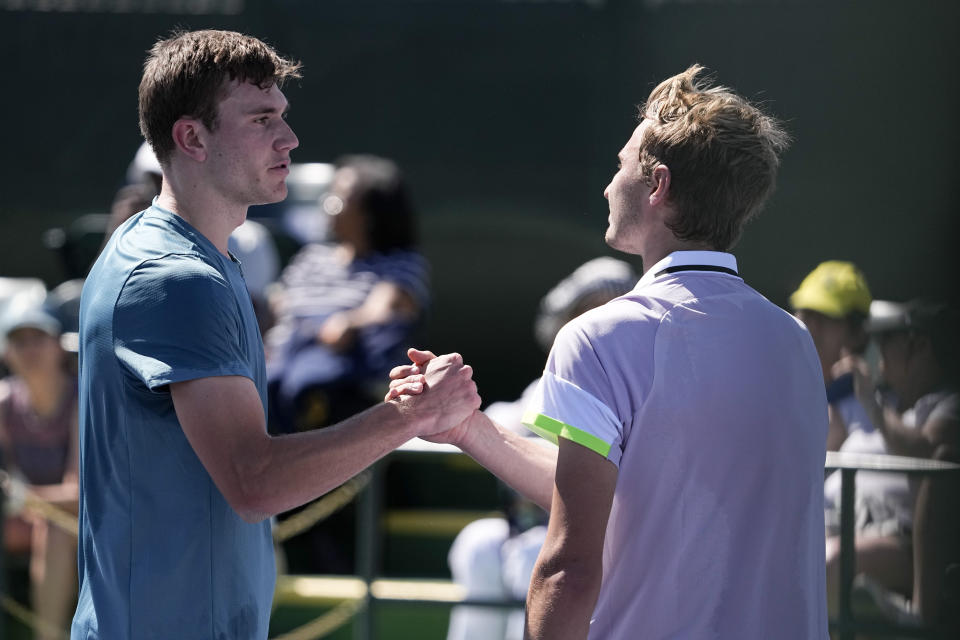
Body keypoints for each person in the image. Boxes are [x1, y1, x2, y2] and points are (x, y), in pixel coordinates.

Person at [389, 65, 828, 639]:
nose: (607, 185)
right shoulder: (795, 342)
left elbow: (568, 566)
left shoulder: (599, 336)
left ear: (657, 186)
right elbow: (618, 495)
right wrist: (469, 428)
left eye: (620, 166)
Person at [73, 29, 479, 639]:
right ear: (192, 138)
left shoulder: (184, 259)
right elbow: (254, 480)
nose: (289, 139)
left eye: (282, 117)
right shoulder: (176, 277)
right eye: (262, 119)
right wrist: (409, 416)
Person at [447, 257, 637, 640]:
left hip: (611, 541)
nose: (597, 324)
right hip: (533, 531)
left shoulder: (635, 389)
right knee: (478, 545)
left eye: (609, 312)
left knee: (534, 558)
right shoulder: (548, 387)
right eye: (586, 313)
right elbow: (506, 420)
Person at [266, 154, 428, 433]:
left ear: (367, 216)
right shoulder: (312, 257)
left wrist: (349, 323)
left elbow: (388, 305)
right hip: (286, 359)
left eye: (339, 200)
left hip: (348, 379)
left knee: (310, 385)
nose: (328, 207)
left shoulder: (399, 263)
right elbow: (279, 307)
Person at [825, 299, 959, 626]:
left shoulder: (949, 403)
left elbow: (925, 449)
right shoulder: (893, 405)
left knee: (830, 562)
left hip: (900, 538)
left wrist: (870, 400)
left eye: (888, 339)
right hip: (842, 522)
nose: (878, 348)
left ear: (921, 346)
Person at [0, 297, 79, 640]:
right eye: (19, 340)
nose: (29, 348)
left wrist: (21, 500)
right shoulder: (3, 402)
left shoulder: (82, 401)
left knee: (56, 530)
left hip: (76, 524)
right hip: (21, 521)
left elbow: (79, 496)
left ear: (59, 346)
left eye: (38, 337)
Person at [790, 260, 874, 451]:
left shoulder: (875, 411)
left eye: (824, 316)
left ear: (857, 334)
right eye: (806, 313)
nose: (810, 326)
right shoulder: (778, 389)